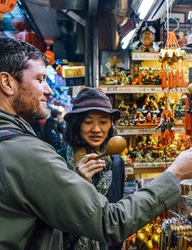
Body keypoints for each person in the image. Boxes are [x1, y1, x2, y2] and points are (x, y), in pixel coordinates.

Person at [0, 37, 192, 250]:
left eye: (104, 122)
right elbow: (110, 222)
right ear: (6, 83)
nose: (47, 90)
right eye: (39, 79)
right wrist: (176, 173)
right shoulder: (22, 153)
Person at [61, 87, 125, 250]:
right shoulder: (57, 160)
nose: (96, 129)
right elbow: (54, 221)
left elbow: (117, 212)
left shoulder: (116, 162)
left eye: (103, 122)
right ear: (76, 125)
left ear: (111, 124)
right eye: (88, 122)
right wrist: (78, 184)